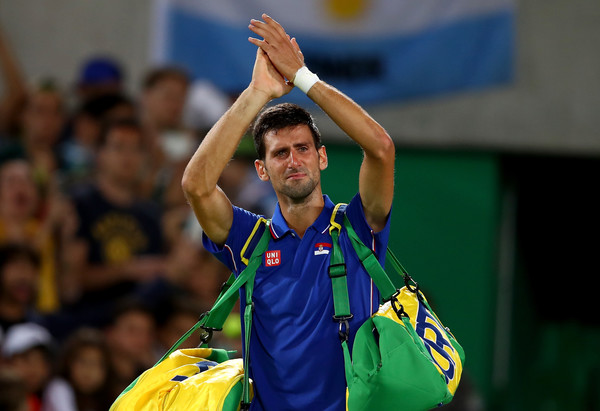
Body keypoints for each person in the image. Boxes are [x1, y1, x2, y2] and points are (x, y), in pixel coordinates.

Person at [181, 14, 395, 411]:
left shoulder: (357, 229)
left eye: (302, 148)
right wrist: (257, 92)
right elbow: (196, 185)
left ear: (322, 158)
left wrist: (302, 78)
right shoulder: (249, 238)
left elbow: (380, 148)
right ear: (261, 169)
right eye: (279, 153)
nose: (293, 160)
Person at [42, 327, 114, 411]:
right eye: (83, 362)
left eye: (96, 364)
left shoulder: (107, 398)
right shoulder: (59, 388)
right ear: (69, 362)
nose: (89, 370)